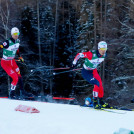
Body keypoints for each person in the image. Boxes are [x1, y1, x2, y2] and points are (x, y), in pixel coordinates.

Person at [72, 41, 112, 109]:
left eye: (105, 50)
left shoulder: (104, 55)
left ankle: (101, 102)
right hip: (86, 72)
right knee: (96, 83)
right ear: (99, 48)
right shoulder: (90, 54)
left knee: (100, 84)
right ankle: (95, 102)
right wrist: (74, 63)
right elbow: (79, 55)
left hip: (94, 71)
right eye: (102, 49)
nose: (103, 51)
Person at [0, 27, 33, 99]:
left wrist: (20, 57)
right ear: (12, 34)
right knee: (15, 78)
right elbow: (1, 46)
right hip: (5, 63)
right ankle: (11, 94)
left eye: (18, 33)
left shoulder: (17, 41)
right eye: (15, 34)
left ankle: (22, 92)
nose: (16, 35)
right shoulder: (7, 42)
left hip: (12, 61)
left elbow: (17, 49)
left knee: (19, 75)